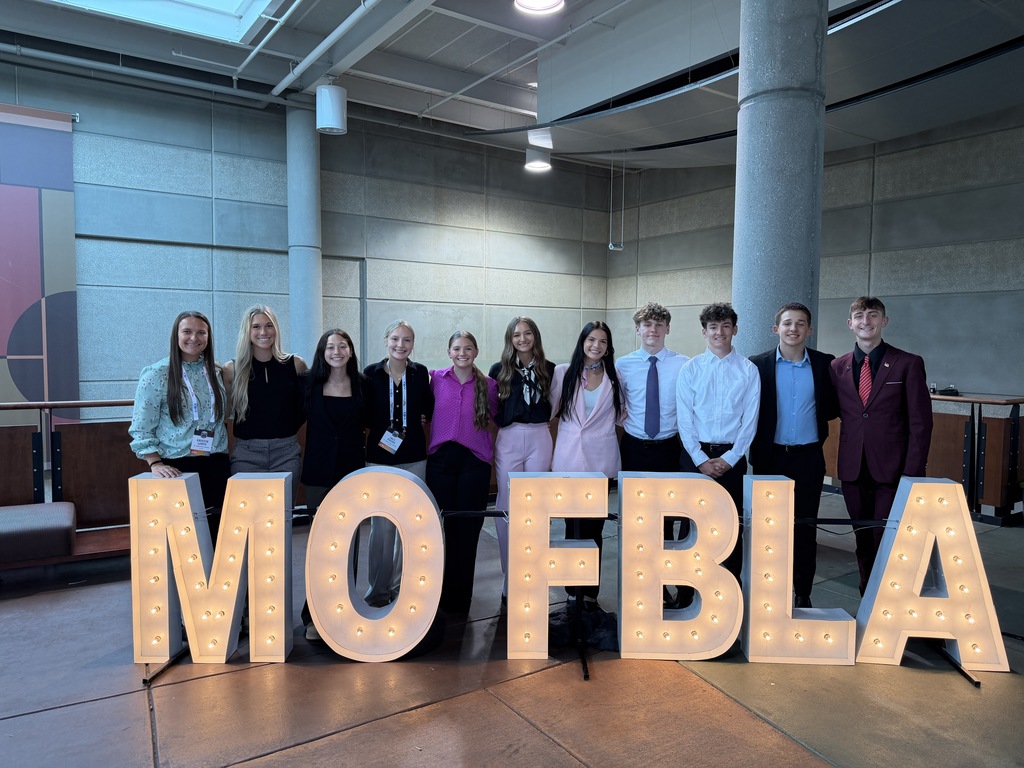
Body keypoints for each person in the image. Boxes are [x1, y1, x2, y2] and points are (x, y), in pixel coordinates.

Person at [829, 297, 932, 594]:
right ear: (850, 324)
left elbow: (920, 423)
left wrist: (912, 472)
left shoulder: (908, 363)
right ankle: (869, 591)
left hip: (894, 469)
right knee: (862, 536)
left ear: (884, 321)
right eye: (859, 316)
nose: (866, 321)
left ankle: (895, 595)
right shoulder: (838, 367)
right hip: (852, 468)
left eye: (873, 315)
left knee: (890, 536)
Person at [749, 302, 839, 608]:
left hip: (808, 459)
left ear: (809, 330)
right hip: (770, 458)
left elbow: (834, 407)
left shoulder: (825, 365)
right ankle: (767, 592)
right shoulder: (757, 365)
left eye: (801, 323)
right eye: (787, 323)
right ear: (777, 329)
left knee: (804, 528)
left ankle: (803, 593)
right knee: (768, 528)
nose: (793, 329)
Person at [675, 302, 759, 581]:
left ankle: (731, 584)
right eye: (713, 327)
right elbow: (684, 419)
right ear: (704, 331)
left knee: (732, 523)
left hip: (731, 457)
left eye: (725, 326)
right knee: (691, 524)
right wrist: (700, 460)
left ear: (734, 329)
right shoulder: (690, 369)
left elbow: (750, 421)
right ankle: (687, 589)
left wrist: (731, 459)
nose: (719, 332)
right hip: (695, 455)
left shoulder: (748, 370)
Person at [129, 310, 230, 539]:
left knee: (217, 535)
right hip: (177, 464)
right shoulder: (157, 373)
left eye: (201, 332)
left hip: (216, 460)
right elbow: (142, 424)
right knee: (185, 539)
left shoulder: (215, 371)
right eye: (187, 331)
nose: (194, 338)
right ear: (176, 334)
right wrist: (154, 462)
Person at [300, 329, 372, 640]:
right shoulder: (309, 384)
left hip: (351, 471)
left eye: (343, 346)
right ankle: (313, 614)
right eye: (330, 346)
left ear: (351, 351)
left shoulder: (363, 385)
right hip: (318, 473)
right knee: (320, 543)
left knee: (350, 540)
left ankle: (346, 605)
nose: (337, 351)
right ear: (322, 351)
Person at [616, 302, 689, 608]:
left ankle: (663, 584)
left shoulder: (684, 364)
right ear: (638, 329)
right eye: (647, 325)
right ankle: (640, 586)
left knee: (667, 521)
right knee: (635, 520)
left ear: (667, 329)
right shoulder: (622, 365)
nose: (653, 330)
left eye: (659, 325)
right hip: (634, 448)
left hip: (669, 449)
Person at [551, 320, 623, 612]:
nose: (596, 346)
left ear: (608, 347)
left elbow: (622, 415)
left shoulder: (614, 377)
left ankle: (590, 593)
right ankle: (572, 591)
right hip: (569, 460)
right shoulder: (563, 372)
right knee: (572, 528)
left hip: (600, 463)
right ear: (583, 341)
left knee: (594, 529)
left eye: (602, 342)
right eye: (591, 340)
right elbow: (551, 411)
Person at [364, 320, 434, 607]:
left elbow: (427, 409)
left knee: (410, 525)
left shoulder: (420, 374)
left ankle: (402, 587)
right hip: (379, 458)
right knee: (381, 526)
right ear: (385, 340)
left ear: (413, 344)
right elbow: (364, 412)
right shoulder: (370, 373)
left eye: (406, 340)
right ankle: (378, 590)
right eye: (395, 339)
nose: (400, 345)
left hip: (415, 457)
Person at [427, 331, 498, 615]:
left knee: (467, 531)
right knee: (438, 528)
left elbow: (497, 417)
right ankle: (436, 592)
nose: (462, 353)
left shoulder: (489, 385)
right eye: (457, 348)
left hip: (474, 463)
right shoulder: (435, 380)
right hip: (441, 461)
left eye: (468, 348)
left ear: (476, 352)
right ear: (449, 351)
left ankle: (460, 597)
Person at [488, 317, 556, 605]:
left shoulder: (551, 370)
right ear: (510, 339)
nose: (523, 338)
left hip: (540, 436)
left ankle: (535, 571)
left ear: (535, 336)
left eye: (528, 333)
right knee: (507, 505)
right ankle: (510, 574)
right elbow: (491, 407)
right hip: (510, 437)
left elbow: (557, 405)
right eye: (517, 334)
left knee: (538, 505)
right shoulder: (498, 370)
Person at [222, 306, 307, 498]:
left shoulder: (296, 365)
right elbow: (224, 411)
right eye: (256, 327)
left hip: (286, 452)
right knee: (246, 517)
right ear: (247, 331)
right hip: (246, 453)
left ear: (276, 329)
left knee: (282, 516)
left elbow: (305, 408)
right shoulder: (232, 369)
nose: (263, 332)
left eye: (269, 326)